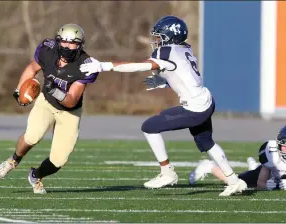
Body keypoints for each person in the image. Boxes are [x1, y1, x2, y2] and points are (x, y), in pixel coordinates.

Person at [79, 15, 247, 196]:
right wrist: (165, 82)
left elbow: (139, 66)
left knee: (149, 127)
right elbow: (184, 74)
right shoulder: (185, 49)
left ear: (170, 36)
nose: (156, 41)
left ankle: (167, 172)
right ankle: (233, 180)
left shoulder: (166, 52)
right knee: (206, 142)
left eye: (159, 37)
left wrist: (104, 66)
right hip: (206, 100)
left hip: (194, 108)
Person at [0, 24, 99, 194]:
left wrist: (55, 91)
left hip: (69, 112)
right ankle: (14, 160)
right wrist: (19, 89)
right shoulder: (47, 49)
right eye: (64, 41)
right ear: (58, 41)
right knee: (32, 136)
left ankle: (36, 175)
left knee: (59, 160)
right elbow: (31, 68)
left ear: (80, 45)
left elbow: (72, 100)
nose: (67, 46)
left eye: (72, 43)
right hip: (46, 102)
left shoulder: (86, 65)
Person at [189, 123, 286, 190]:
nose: (285, 150)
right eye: (283, 146)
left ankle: (254, 166)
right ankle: (209, 166)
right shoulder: (272, 153)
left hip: (278, 177)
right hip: (267, 174)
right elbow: (260, 183)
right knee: (237, 183)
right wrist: (270, 186)